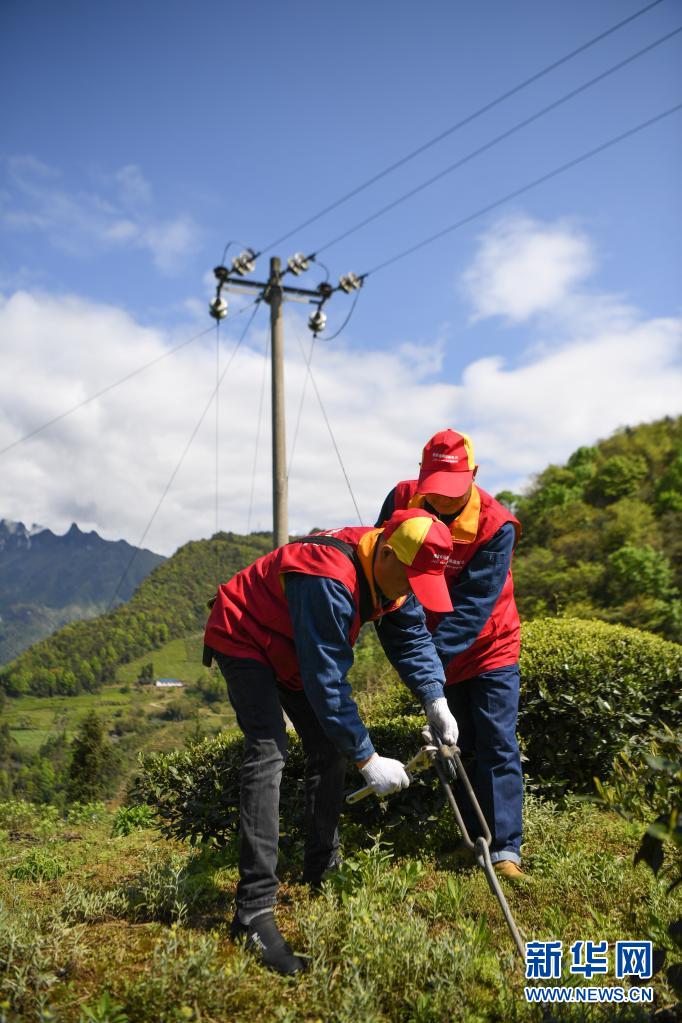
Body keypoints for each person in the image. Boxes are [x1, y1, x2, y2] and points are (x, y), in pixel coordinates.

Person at [203, 507, 460, 974]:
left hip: (295, 646)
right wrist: (367, 758)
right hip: (245, 634)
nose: (409, 591)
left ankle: (322, 868)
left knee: (326, 746)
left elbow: (410, 638)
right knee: (268, 749)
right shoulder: (328, 575)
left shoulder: (394, 569)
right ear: (385, 550)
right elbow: (327, 682)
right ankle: (253, 912)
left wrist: (434, 698)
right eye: (409, 579)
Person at [377, 429, 524, 879]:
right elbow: (390, 569)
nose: (440, 502)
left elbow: (474, 610)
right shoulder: (403, 499)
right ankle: (472, 839)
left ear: (473, 476)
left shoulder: (495, 525)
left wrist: (428, 670)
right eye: (434, 491)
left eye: (451, 492)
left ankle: (504, 852)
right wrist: (420, 657)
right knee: (455, 745)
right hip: (433, 642)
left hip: (488, 646)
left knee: (495, 742)